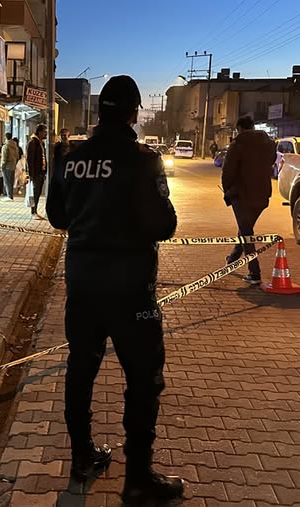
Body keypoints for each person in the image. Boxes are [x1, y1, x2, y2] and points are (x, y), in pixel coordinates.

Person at [46, 75, 184, 504]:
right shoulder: (142, 160)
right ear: (133, 113)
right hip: (131, 292)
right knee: (143, 380)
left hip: (83, 284)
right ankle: (137, 479)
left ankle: (83, 458)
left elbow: (56, 215)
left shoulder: (71, 158)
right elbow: (164, 225)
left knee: (81, 370)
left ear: (99, 112)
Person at [220, 115, 276, 285]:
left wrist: (227, 189)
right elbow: (272, 162)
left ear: (240, 129)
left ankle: (254, 272)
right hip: (262, 194)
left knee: (246, 232)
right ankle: (233, 258)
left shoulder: (238, 145)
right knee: (246, 228)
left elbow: (227, 170)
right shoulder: (269, 144)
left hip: (241, 195)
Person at [26, 124, 48, 219]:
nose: (46, 134)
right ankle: (33, 211)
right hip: (36, 173)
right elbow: (30, 160)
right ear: (39, 132)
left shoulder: (40, 143)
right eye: (44, 132)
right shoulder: (33, 143)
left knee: (38, 192)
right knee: (35, 192)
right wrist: (31, 174)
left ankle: (35, 210)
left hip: (41, 172)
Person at [0, 133, 18, 200]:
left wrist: (2, 166)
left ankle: (8, 195)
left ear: (5, 137)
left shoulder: (5, 146)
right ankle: (11, 195)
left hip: (7, 166)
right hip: (13, 166)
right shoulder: (15, 146)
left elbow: (4, 158)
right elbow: (17, 156)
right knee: (11, 181)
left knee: (6, 181)